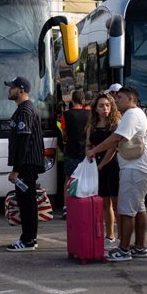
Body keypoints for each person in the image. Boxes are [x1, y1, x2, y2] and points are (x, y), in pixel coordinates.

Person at [87, 87, 147, 262]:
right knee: (138, 209)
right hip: (140, 168)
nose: (116, 100)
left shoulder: (132, 114)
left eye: (120, 97)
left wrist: (94, 150)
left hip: (135, 169)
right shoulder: (136, 114)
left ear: (131, 98)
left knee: (125, 211)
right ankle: (139, 247)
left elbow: (116, 138)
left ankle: (124, 249)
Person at [4, 76, 45, 251]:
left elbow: (23, 141)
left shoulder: (25, 111)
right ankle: (30, 238)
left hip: (26, 165)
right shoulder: (25, 109)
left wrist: (16, 170)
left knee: (27, 203)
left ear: (21, 90)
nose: (9, 90)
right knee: (27, 203)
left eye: (12, 88)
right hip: (27, 164)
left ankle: (28, 240)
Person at [85, 93, 121, 250]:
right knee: (104, 203)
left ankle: (121, 236)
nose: (105, 108)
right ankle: (110, 235)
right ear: (95, 108)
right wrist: (89, 159)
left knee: (116, 203)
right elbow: (88, 144)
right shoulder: (92, 125)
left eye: (107, 105)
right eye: (101, 105)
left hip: (112, 166)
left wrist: (102, 165)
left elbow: (113, 147)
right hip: (96, 166)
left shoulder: (115, 124)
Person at [61, 89, 89, 218]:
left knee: (69, 180)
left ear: (72, 100)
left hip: (71, 151)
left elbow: (64, 135)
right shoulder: (90, 114)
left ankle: (67, 207)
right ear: (83, 101)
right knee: (85, 179)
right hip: (86, 152)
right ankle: (84, 205)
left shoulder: (66, 114)